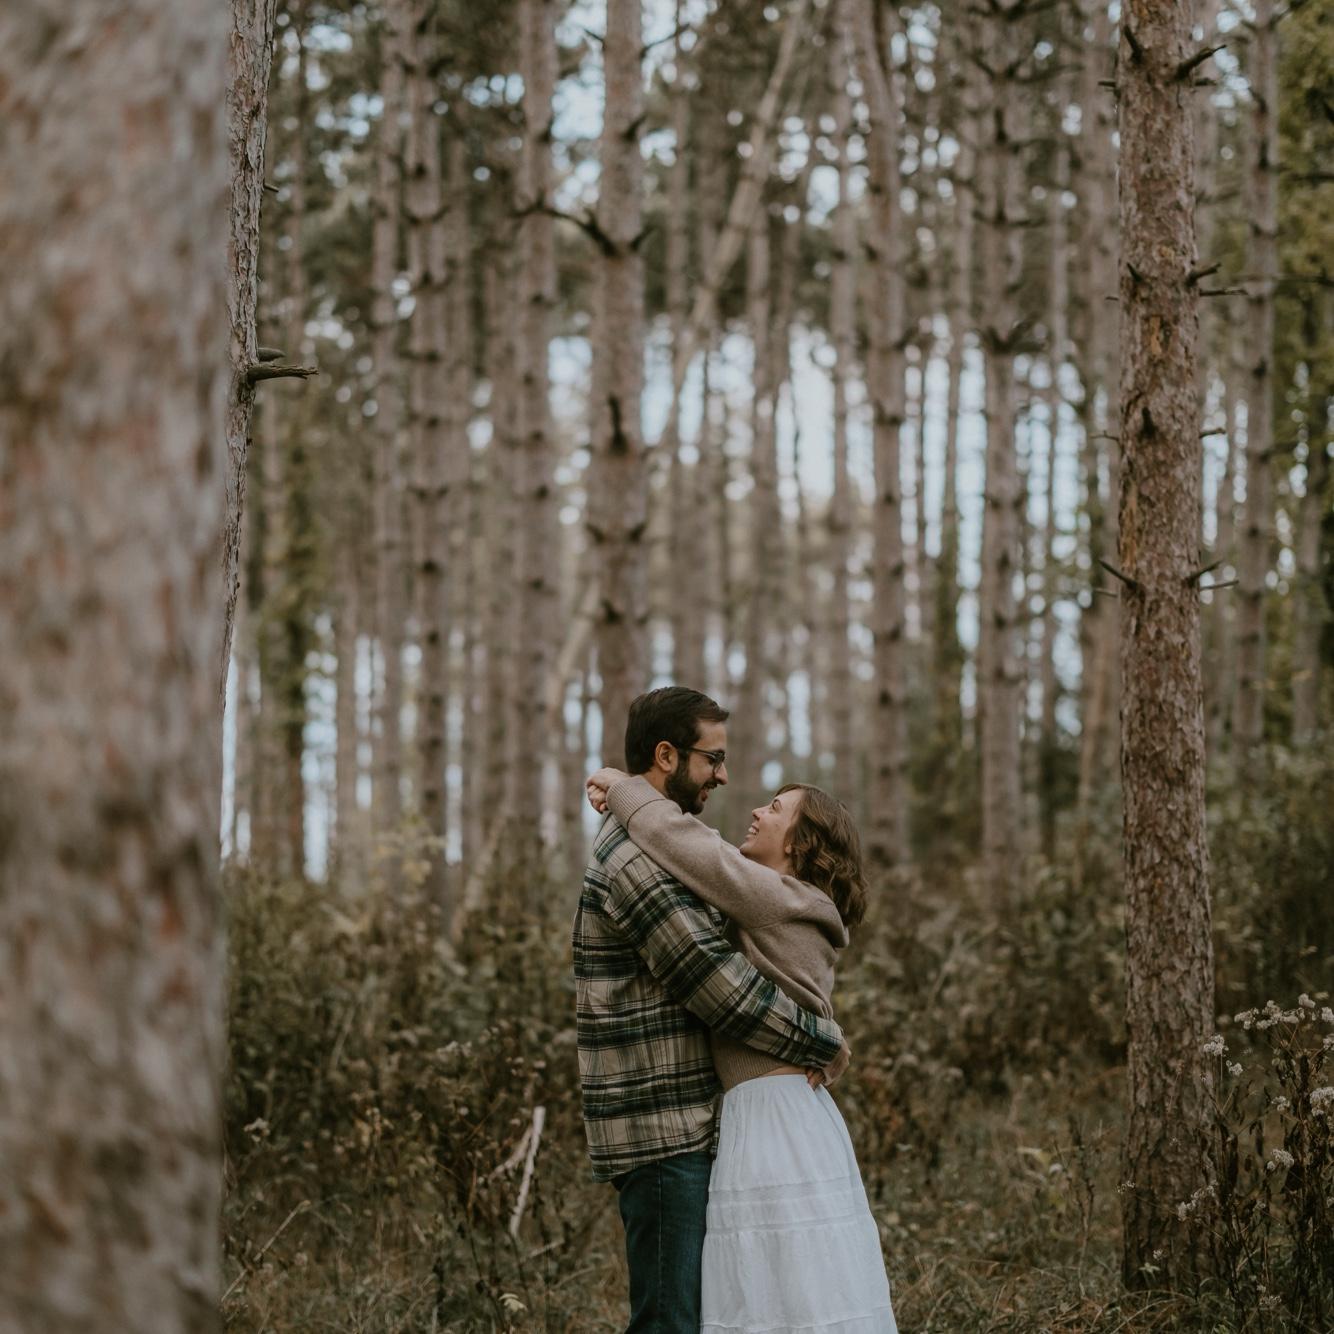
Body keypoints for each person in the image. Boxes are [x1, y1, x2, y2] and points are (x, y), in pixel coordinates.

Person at [573, 687, 851, 1334]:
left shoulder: (659, 848)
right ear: (667, 756)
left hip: (683, 1122)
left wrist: (620, 787)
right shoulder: (636, 861)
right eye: (713, 759)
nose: (724, 777)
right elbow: (723, 989)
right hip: (660, 1127)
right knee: (670, 1322)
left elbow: (707, 859)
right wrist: (822, 1039)